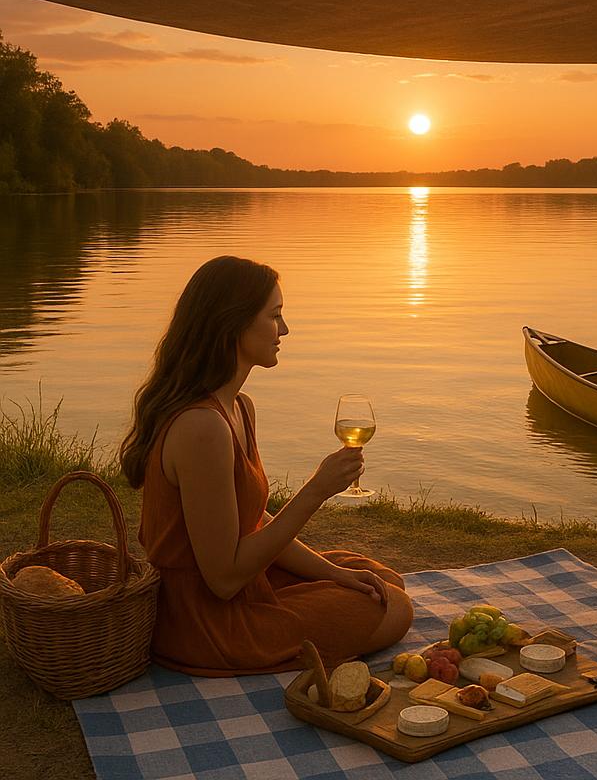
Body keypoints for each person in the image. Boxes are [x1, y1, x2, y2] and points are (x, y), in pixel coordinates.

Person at [119, 255, 413, 676]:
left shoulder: (238, 408)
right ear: (233, 323)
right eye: (275, 316)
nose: (285, 330)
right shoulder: (201, 428)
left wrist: (331, 574)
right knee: (396, 608)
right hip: (207, 621)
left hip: (244, 585)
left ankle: (328, 607)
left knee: (374, 578)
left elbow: (252, 522)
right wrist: (315, 491)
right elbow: (223, 579)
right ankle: (294, 641)